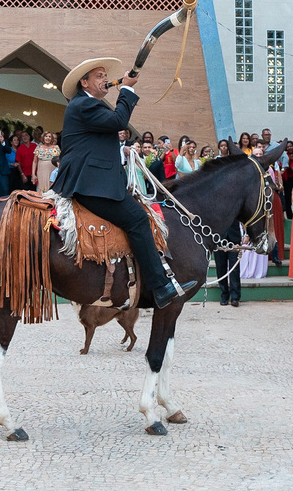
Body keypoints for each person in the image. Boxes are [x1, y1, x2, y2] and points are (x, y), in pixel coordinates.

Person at [52, 58, 196, 308]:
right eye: (99, 75)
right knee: (138, 220)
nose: (105, 79)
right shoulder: (85, 103)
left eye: (105, 75)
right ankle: (160, 287)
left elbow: (98, 142)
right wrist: (127, 88)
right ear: (84, 82)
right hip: (90, 185)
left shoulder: (87, 104)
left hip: (92, 182)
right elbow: (119, 121)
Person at [216, 222, 244, 306]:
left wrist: (246, 234)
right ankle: (224, 295)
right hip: (219, 238)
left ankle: (235, 297)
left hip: (234, 238)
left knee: (234, 269)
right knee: (220, 267)